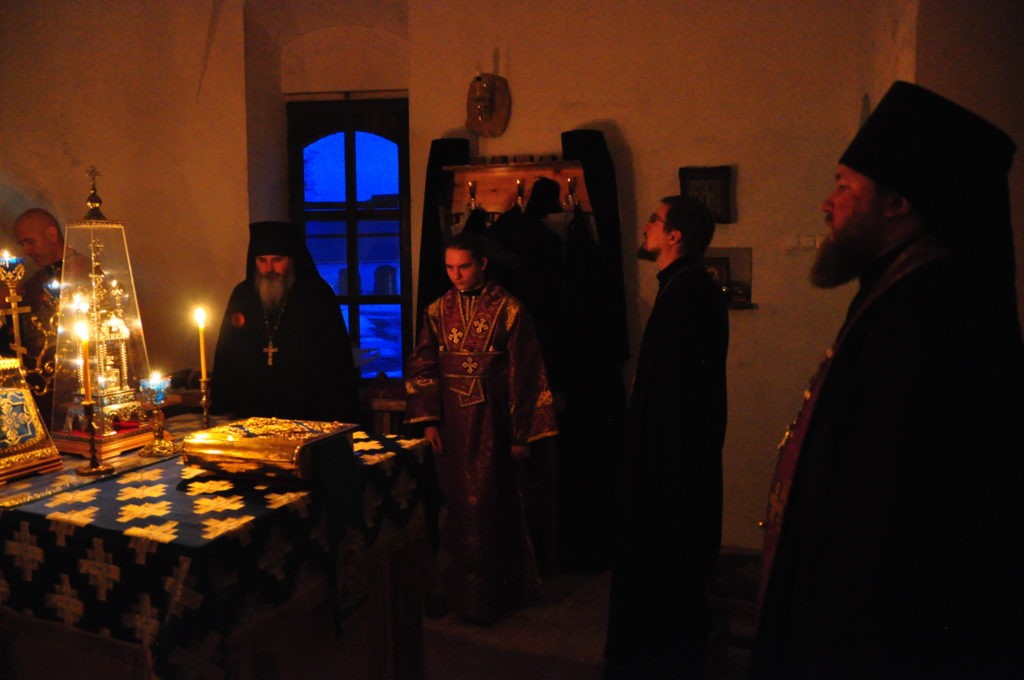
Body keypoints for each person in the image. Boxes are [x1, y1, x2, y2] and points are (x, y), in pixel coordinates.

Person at [751, 81, 1024, 678]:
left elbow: (888, 526)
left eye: (844, 186)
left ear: (898, 203)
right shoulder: (901, 289)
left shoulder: (934, 315)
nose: (828, 204)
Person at [604, 196, 729, 679]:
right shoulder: (682, 287)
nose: (647, 228)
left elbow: (678, 397)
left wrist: (648, 462)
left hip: (670, 465)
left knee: (663, 566)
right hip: (668, 458)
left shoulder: (688, 293)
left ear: (674, 236)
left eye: (655, 221)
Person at [405, 231, 558, 623]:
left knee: (490, 507)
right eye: (449, 267)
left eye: (464, 267)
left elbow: (526, 373)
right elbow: (423, 365)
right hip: (451, 427)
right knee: (454, 507)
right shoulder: (438, 310)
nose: (456, 275)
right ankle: (456, 592)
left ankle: (494, 596)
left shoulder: (509, 309)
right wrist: (428, 421)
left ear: (482, 264)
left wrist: (521, 434)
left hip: (494, 423)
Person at [211, 220, 360, 423]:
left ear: (292, 260)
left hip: (308, 413)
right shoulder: (243, 295)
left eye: (277, 260)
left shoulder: (317, 295)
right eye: (262, 260)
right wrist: (223, 406)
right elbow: (226, 354)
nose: (269, 269)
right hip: (250, 412)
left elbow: (335, 360)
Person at [3, 209, 86, 422]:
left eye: (29, 241)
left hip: (75, 381)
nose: (26, 250)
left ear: (51, 234)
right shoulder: (34, 281)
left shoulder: (83, 270)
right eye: (22, 244)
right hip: (41, 383)